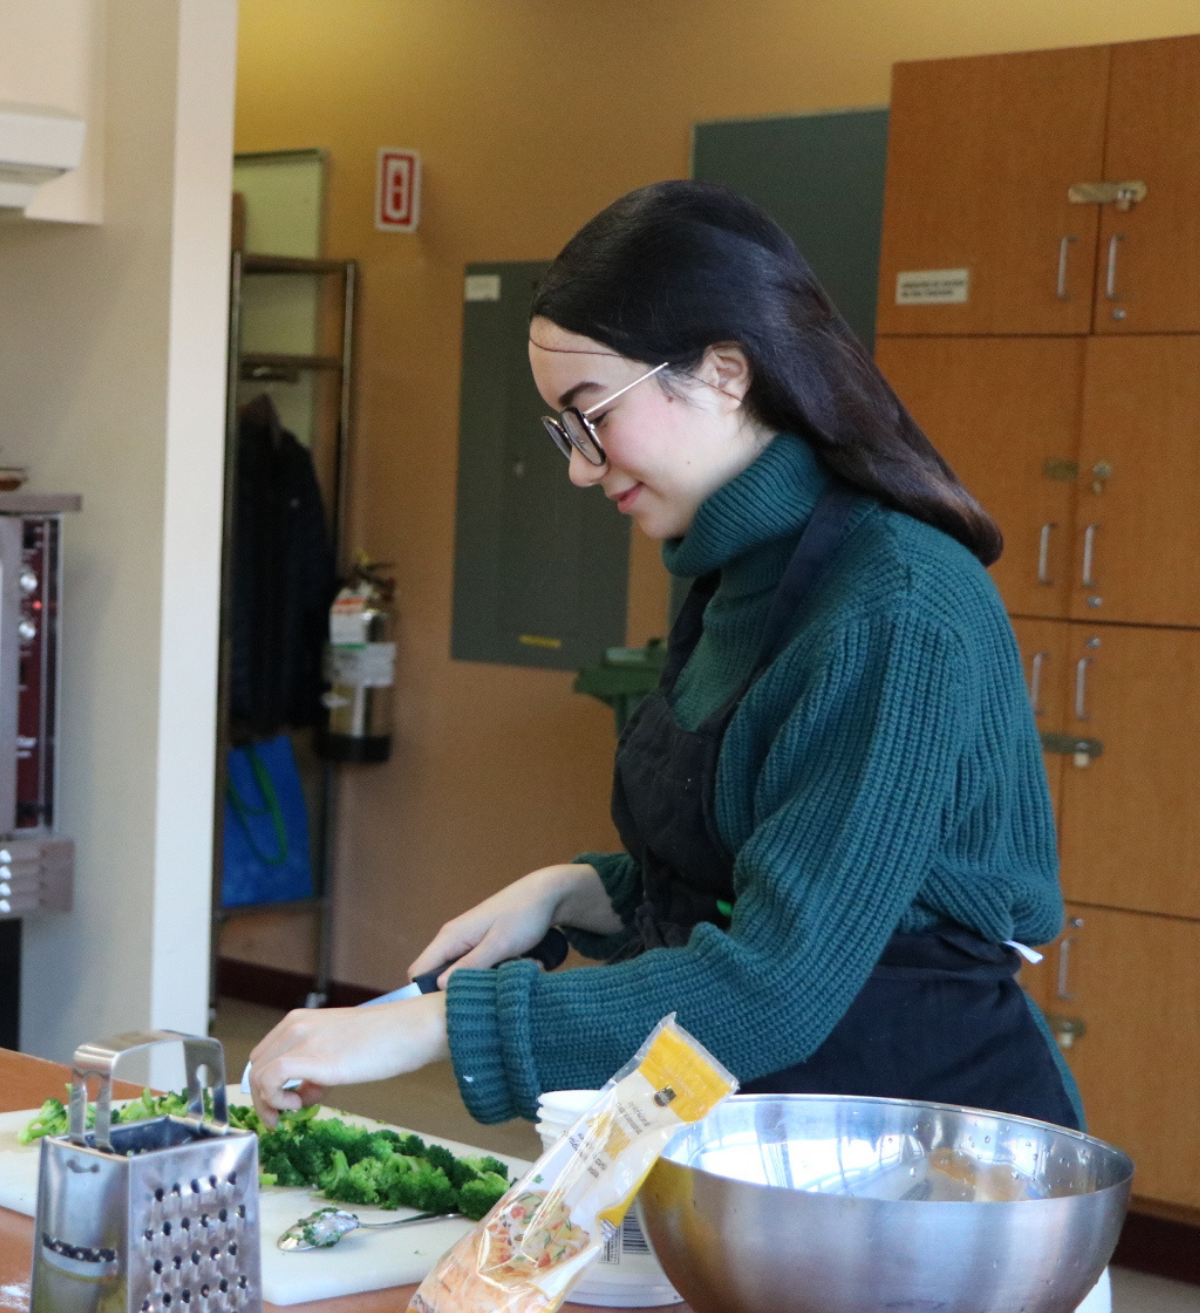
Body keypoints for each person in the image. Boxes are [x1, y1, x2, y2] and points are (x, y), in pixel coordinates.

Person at [249, 180, 1081, 1135]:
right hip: (772, 1136)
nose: (578, 465)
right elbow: (753, 859)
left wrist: (435, 1026)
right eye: (564, 428)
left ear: (726, 371)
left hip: (928, 1156)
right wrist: (578, 889)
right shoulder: (737, 573)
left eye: (592, 413)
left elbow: (778, 985)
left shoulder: (893, 603)